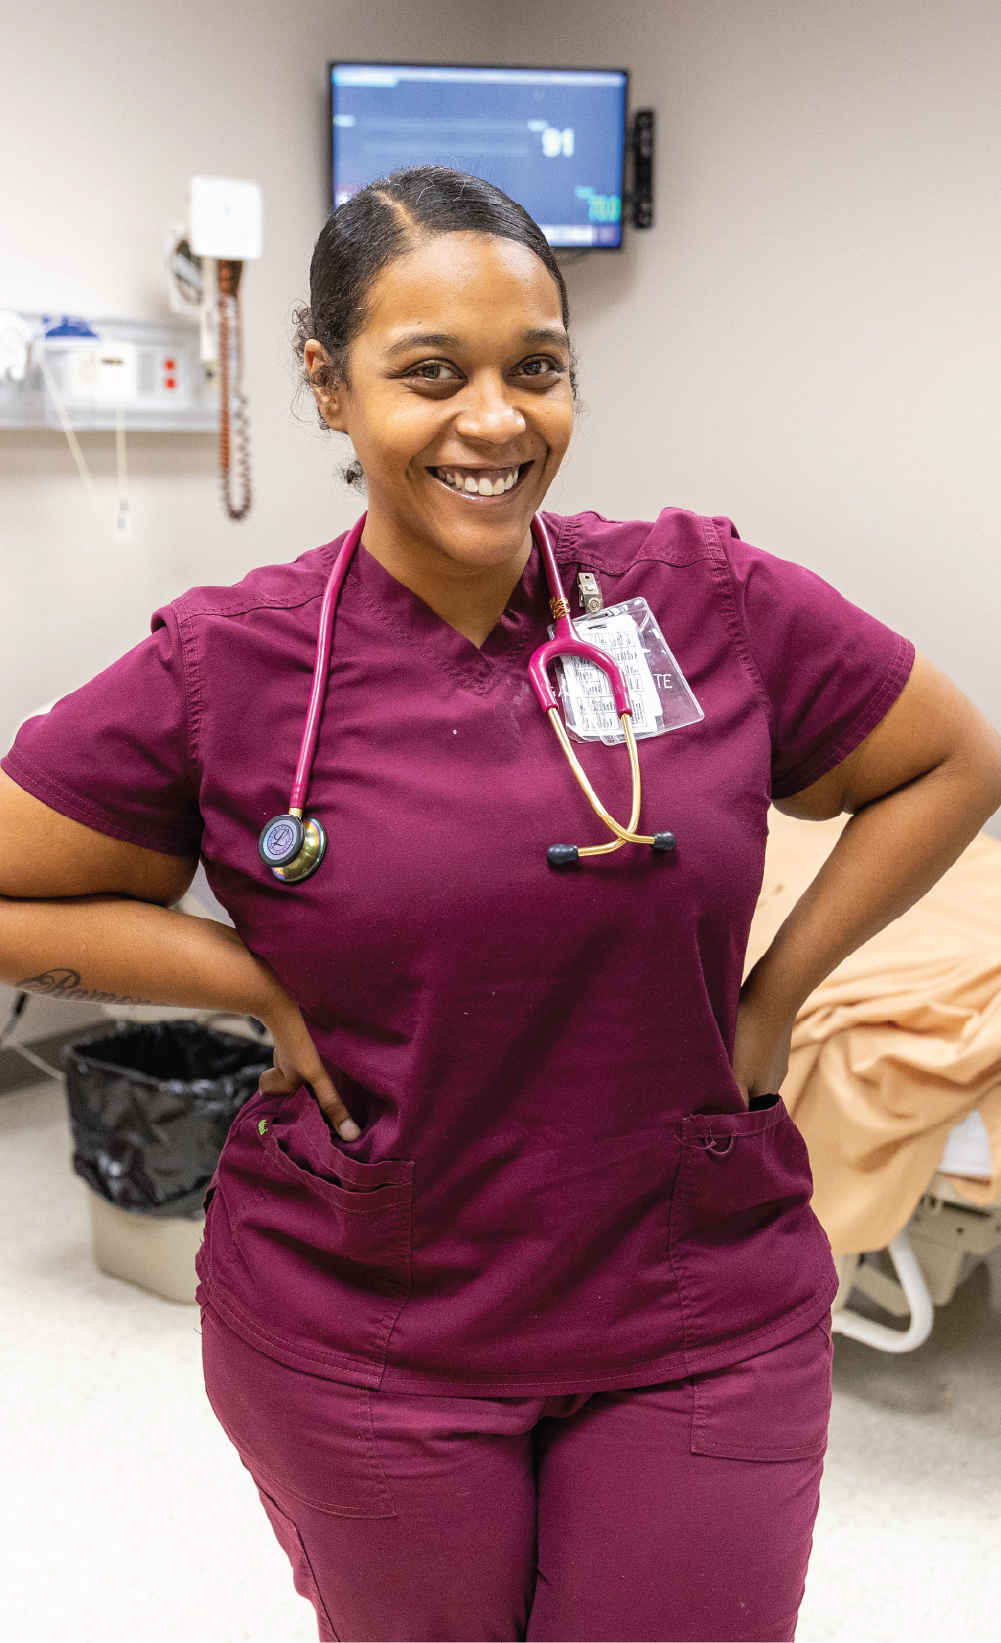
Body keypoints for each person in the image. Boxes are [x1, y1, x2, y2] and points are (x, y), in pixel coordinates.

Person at [1, 167, 999, 1643]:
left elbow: (951, 760)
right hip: (371, 1317)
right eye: (429, 373)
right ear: (327, 390)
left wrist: (779, 993)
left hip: (694, 1297)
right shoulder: (234, 665)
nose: (495, 419)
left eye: (536, 368)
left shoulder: (695, 595)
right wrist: (246, 982)